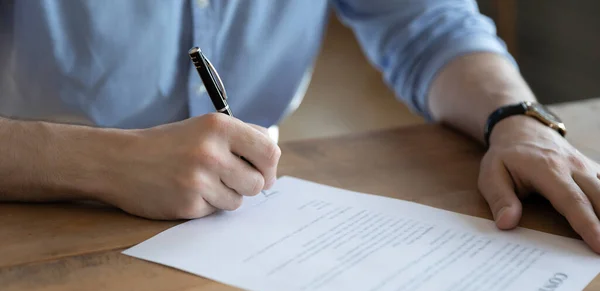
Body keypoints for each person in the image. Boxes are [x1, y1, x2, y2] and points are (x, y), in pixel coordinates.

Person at [1, 1, 599, 252]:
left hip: (238, 223)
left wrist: (516, 120)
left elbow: (427, 22)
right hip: (31, 221)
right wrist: (104, 162)